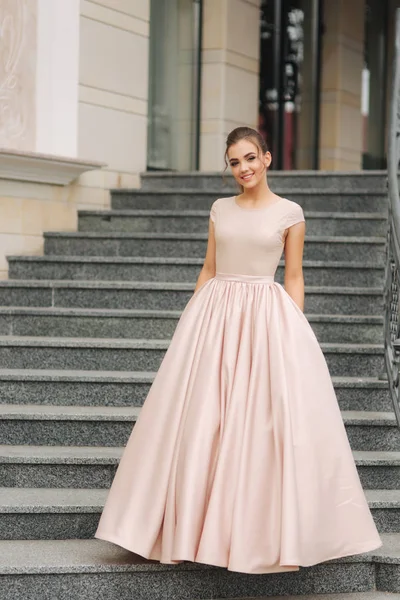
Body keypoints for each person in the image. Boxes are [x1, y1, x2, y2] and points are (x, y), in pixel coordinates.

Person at [95, 126, 382, 574]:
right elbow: (209, 267)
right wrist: (190, 319)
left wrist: (294, 328)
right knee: (199, 420)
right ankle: (183, 527)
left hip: (266, 316)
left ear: (267, 158)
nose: (243, 168)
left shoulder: (290, 213)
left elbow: (294, 277)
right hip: (214, 316)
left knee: (257, 423)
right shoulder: (220, 209)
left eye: (250, 158)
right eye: (234, 162)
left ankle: (251, 535)